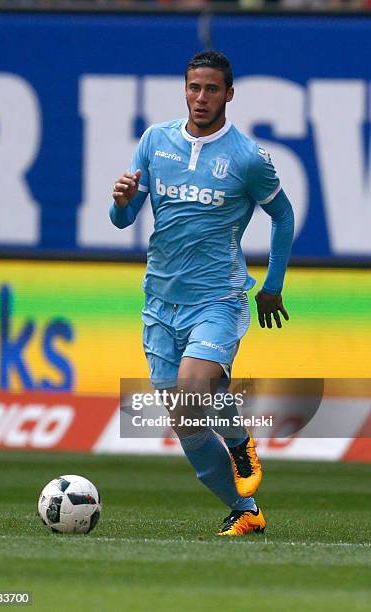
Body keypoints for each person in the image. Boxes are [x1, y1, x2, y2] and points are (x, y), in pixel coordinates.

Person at [110, 51, 294, 536]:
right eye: (194, 88)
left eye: (212, 89)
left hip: (218, 298)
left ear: (229, 95)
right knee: (187, 419)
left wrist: (272, 285)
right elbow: (125, 219)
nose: (201, 98)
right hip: (159, 302)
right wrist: (122, 203)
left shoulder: (247, 158)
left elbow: (284, 216)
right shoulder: (155, 141)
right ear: (184, 90)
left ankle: (237, 441)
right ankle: (244, 509)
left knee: (195, 385)